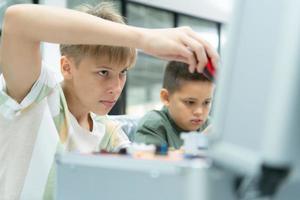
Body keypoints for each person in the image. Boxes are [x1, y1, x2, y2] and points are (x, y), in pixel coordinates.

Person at [0, 2, 218, 199]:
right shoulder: (37, 96)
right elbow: (17, 20)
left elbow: (142, 175)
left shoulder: (107, 131)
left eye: (122, 72)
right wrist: (144, 39)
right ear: (67, 67)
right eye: (103, 72)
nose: (116, 88)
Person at [133, 61, 215, 149]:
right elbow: (151, 161)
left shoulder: (210, 126)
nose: (199, 112)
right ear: (166, 98)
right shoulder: (152, 126)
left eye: (206, 102)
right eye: (190, 102)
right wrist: (196, 144)